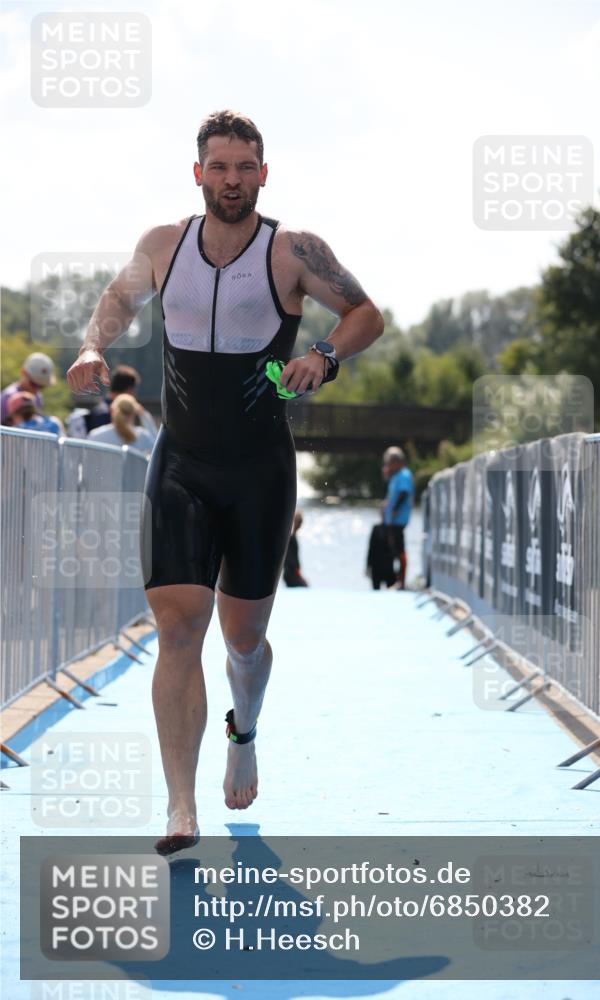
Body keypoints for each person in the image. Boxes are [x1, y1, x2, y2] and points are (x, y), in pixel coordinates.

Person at [66, 110, 384, 852]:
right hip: (181, 461)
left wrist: (324, 356)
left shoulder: (292, 250)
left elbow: (365, 313)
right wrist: (91, 345)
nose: (231, 180)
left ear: (263, 174)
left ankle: (245, 730)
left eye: (244, 167)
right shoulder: (163, 244)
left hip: (258, 470)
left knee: (244, 640)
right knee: (178, 627)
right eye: (219, 166)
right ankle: (181, 808)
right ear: (198, 172)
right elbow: (118, 298)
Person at [67, 364, 158, 440]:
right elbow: (153, 440)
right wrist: (143, 415)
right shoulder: (119, 414)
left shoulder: (97, 411)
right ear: (130, 390)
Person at [382, 446, 414, 590]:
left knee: (399, 548)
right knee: (393, 548)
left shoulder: (404, 475)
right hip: (392, 520)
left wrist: (395, 509)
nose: (388, 465)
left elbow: (404, 493)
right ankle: (396, 579)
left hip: (398, 519)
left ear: (397, 462)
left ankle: (402, 581)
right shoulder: (396, 475)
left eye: (390, 463)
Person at [87, 394, 155, 454]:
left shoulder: (95, 435)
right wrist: (145, 416)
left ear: (112, 411)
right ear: (134, 413)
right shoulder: (143, 436)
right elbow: (156, 450)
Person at [1, 352, 56, 424]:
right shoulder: (7, 397)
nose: (36, 390)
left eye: (41, 386)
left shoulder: (38, 397)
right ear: (24, 373)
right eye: (34, 384)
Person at [366, 519, 396, 590]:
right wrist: (368, 566)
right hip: (377, 566)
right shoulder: (376, 528)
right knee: (376, 590)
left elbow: (397, 551)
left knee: (391, 590)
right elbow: (371, 548)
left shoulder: (394, 529)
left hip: (389, 567)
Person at [283, 510, 308, 587]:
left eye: (301, 522)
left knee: (305, 585)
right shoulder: (291, 538)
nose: (300, 525)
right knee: (305, 586)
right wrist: (297, 571)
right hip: (291, 573)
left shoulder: (292, 537)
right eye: (299, 522)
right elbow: (290, 559)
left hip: (292, 572)